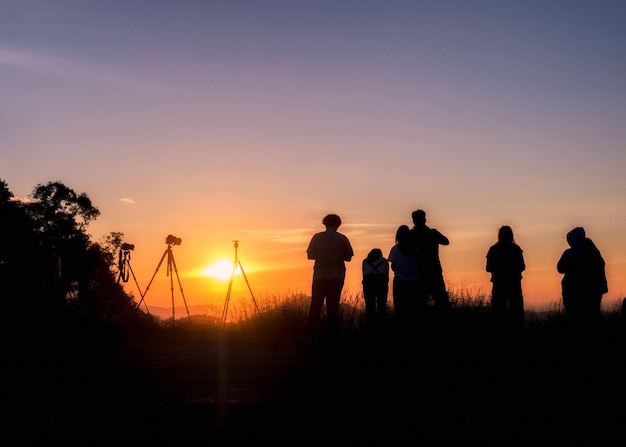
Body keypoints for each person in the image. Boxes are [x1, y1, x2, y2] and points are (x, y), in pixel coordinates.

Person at [306, 213, 354, 331]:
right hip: (337, 276)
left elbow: (310, 256)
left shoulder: (317, 237)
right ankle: (331, 332)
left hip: (320, 275)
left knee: (316, 303)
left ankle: (311, 331)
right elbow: (348, 257)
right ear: (338, 224)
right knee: (333, 305)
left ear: (324, 223)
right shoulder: (342, 238)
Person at [557, 226, 608, 330]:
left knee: (574, 319)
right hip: (593, 291)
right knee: (592, 317)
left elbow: (560, 268)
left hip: (573, 291)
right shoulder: (594, 252)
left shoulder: (569, 253)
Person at [486, 225, 526, 331]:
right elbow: (522, 267)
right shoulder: (516, 249)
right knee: (516, 311)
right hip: (514, 284)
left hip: (499, 284)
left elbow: (488, 268)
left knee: (498, 311)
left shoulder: (494, 249)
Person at [410, 209, 450, 311]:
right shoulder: (432, 233)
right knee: (441, 300)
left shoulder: (411, 235)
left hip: (418, 272)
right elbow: (446, 241)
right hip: (433, 270)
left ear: (414, 221)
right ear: (424, 220)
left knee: (421, 303)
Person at [388, 225, 425, 328]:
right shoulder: (417, 249)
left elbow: (393, 265)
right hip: (415, 281)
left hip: (400, 281)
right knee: (413, 307)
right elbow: (420, 264)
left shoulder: (396, 249)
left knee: (400, 308)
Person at [361, 248, 389, 329]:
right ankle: (382, 324)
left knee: (369, 305)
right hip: (381, 283)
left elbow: (364, 274)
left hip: (368, 283)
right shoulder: (384, 261)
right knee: (382, 304)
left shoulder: (365, 261)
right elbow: (387, 275)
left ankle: (370, 325)